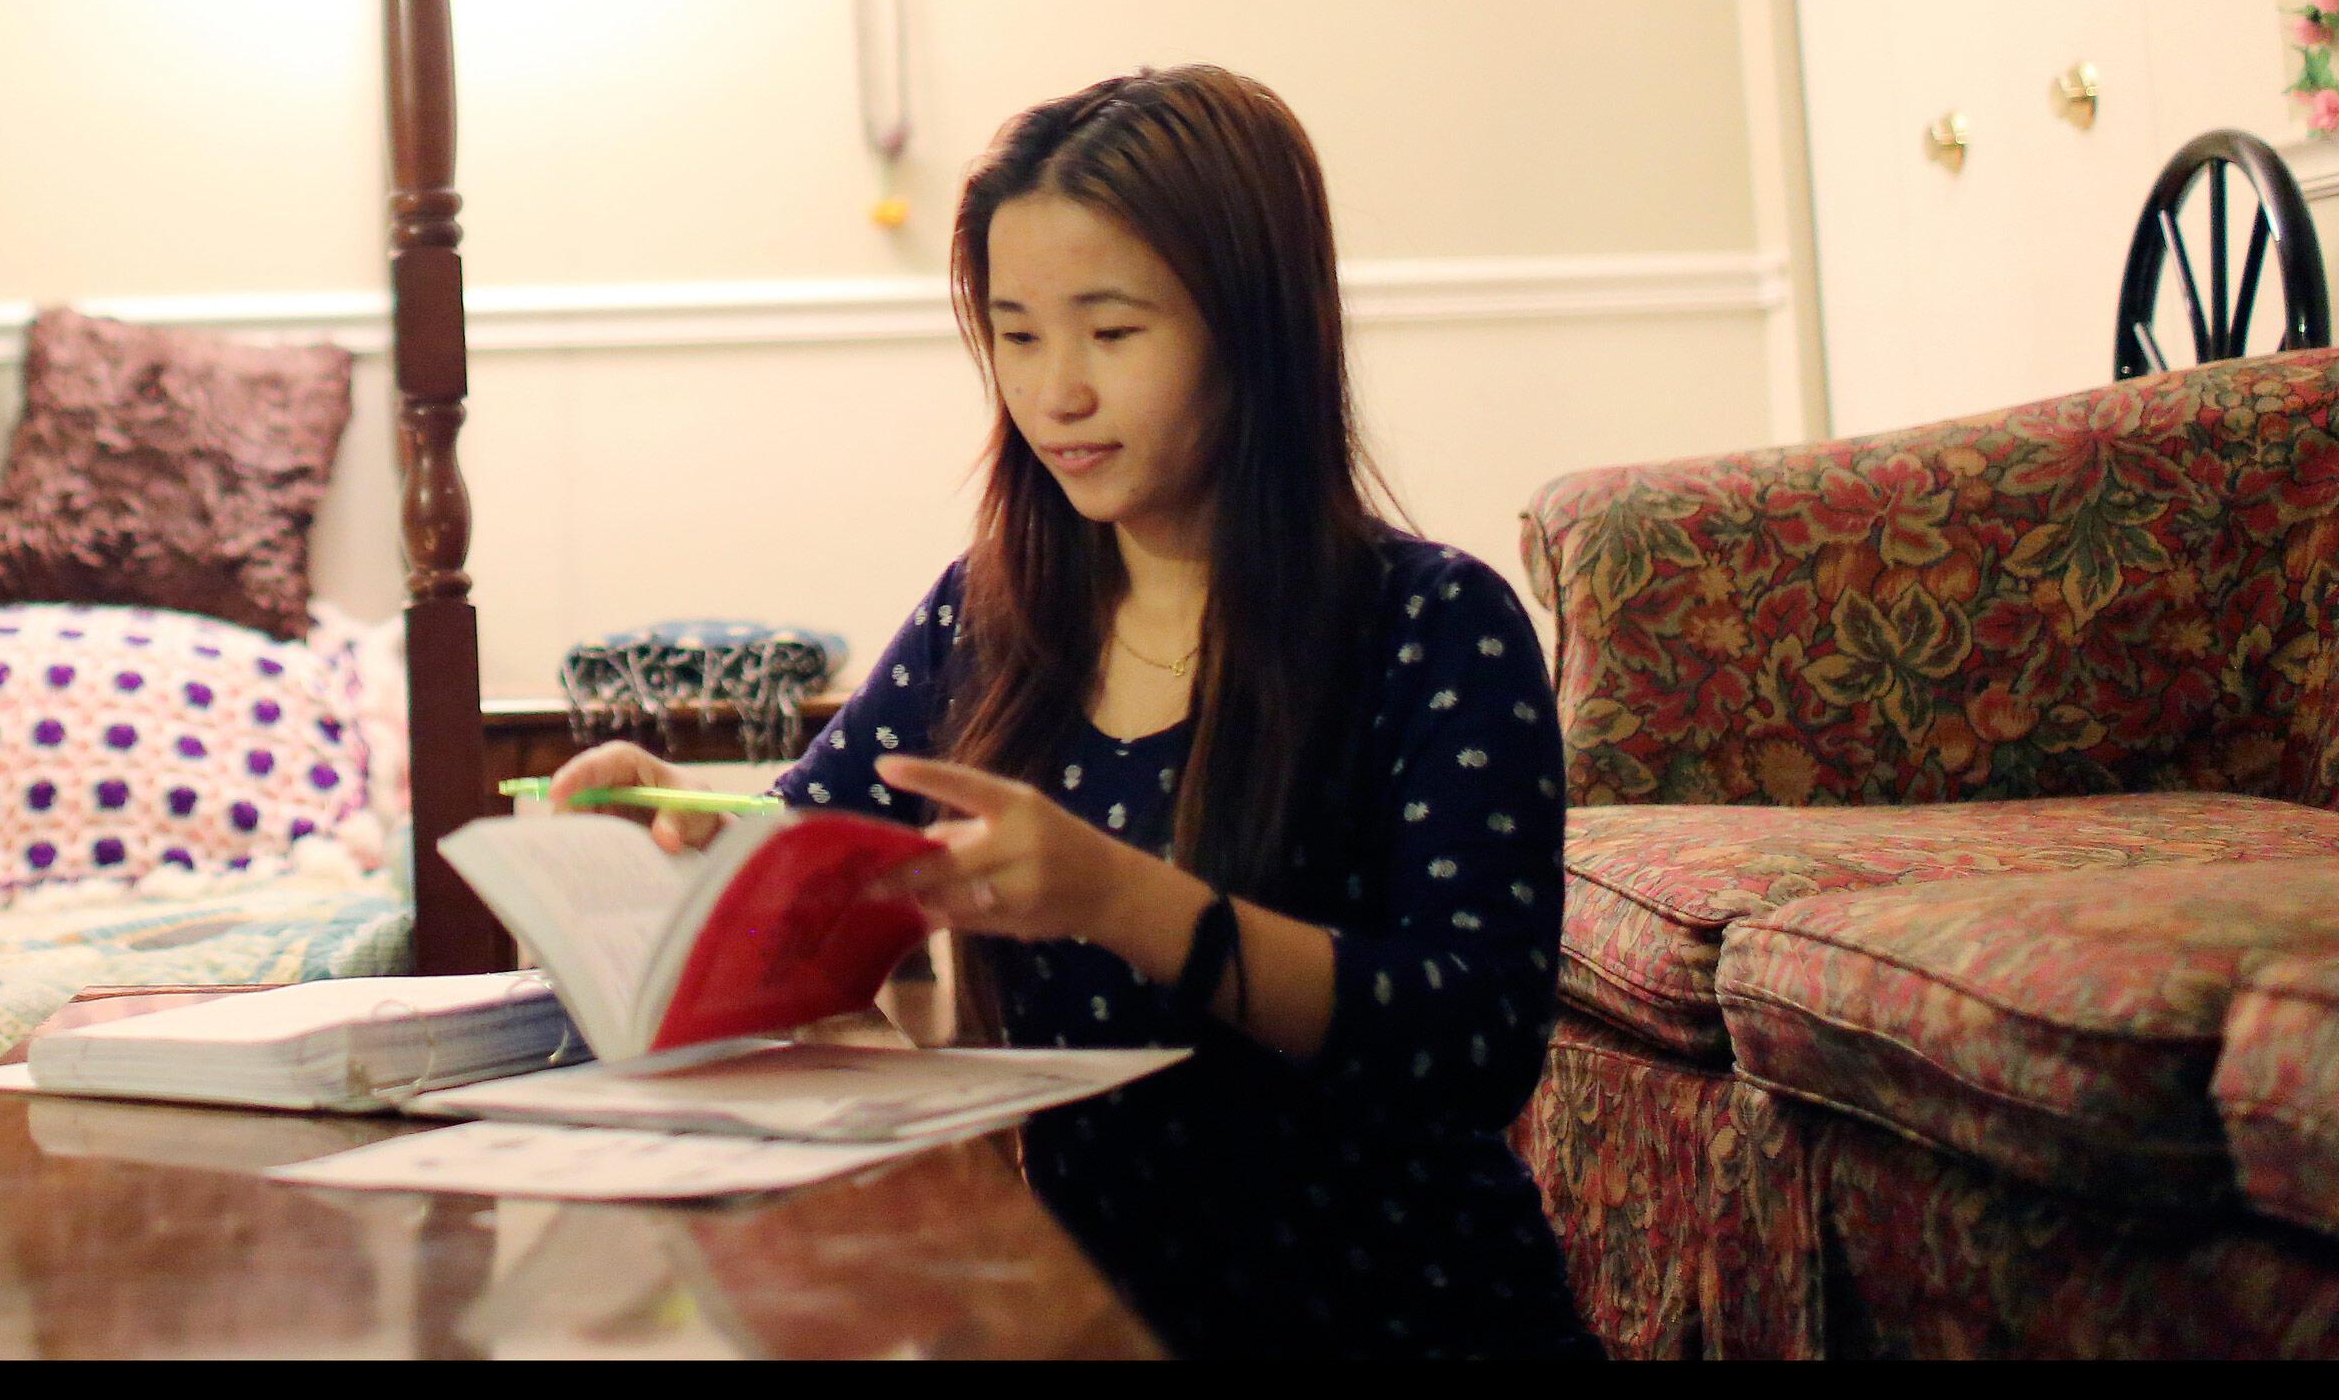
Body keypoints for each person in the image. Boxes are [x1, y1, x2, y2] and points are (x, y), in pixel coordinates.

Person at [548, 67, 1598, 1358]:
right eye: (1019, 333)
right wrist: (680, 818)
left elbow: (1475, 1037)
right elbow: (815, 864)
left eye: (1111, 333)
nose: (1057, 394)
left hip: (1403, 1319)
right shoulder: (986, 618)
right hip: (1091, 1320)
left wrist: (1120, 899)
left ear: (1258, 329)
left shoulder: (1435, 625)